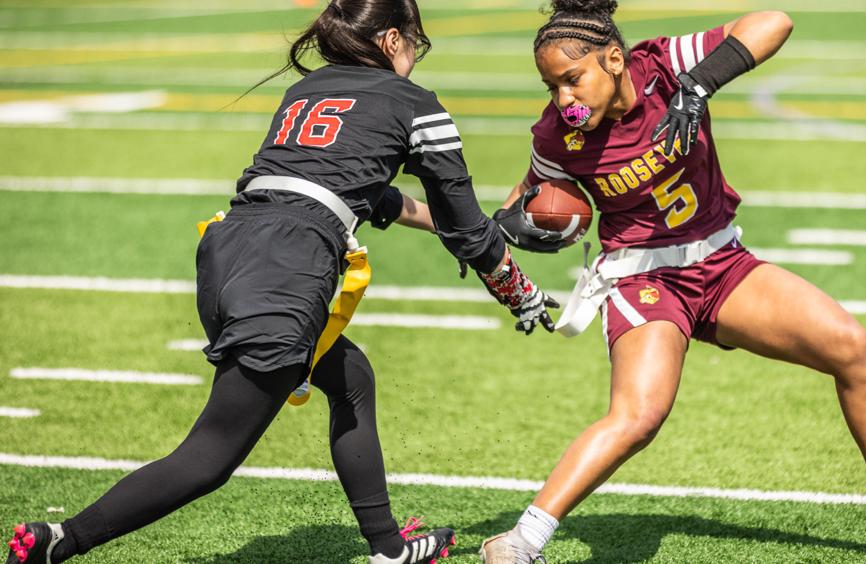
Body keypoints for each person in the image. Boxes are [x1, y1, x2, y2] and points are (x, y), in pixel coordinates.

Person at [5, 2, 558, 563]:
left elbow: (366, 192)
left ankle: (389, 549)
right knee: (209, 456)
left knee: (351, 380)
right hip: (289, 264)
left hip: (230, 247)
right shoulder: (415, 104)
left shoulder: (308, 89)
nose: (417, 52)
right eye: (416, 41)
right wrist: (520, 291)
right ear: (392, 39)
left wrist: (467, 228)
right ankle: (62, 540)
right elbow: (469, 235)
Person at [480, 0, 866, 560]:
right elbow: (527, 197)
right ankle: (520, 540)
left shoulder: (662, 67)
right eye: (551, 88)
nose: (563, 100)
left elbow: (774, 21)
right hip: (646, 278)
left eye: (571, 80)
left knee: (850, 345)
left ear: (615, 59)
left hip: (722, 263)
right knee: (639, 416)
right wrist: (513, 224)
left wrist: (699, 85)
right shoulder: (557, 135)